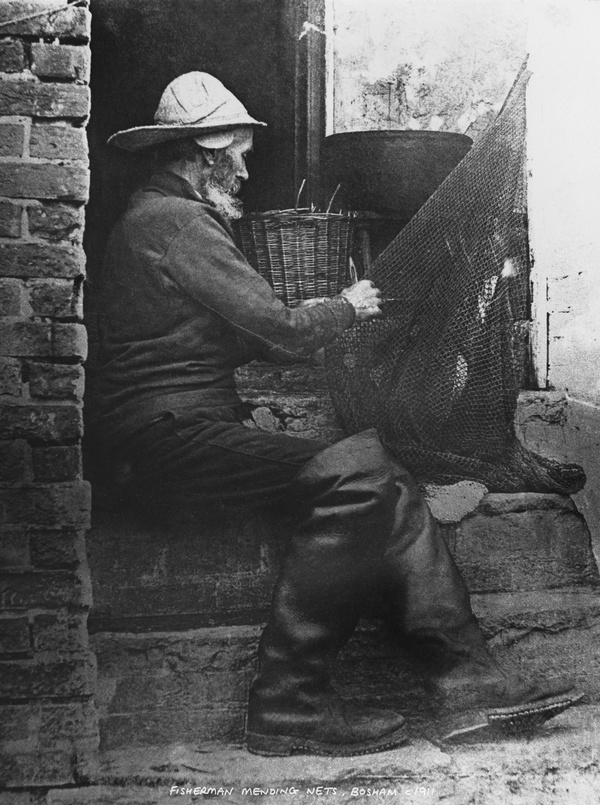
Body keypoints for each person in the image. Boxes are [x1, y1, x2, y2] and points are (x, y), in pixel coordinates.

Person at [89, 72, 579, 757]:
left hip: (176, 432)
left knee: (387, 478)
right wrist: (346, 307)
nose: (247, 167)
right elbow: (281, 331)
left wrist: (318, 331)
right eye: (240, 154)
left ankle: (470, 680)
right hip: (157, 440)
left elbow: (250, 333)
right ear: (207, 153)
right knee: (362, 476)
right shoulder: (174, 222)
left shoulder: (164, 219)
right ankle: (290, 704)